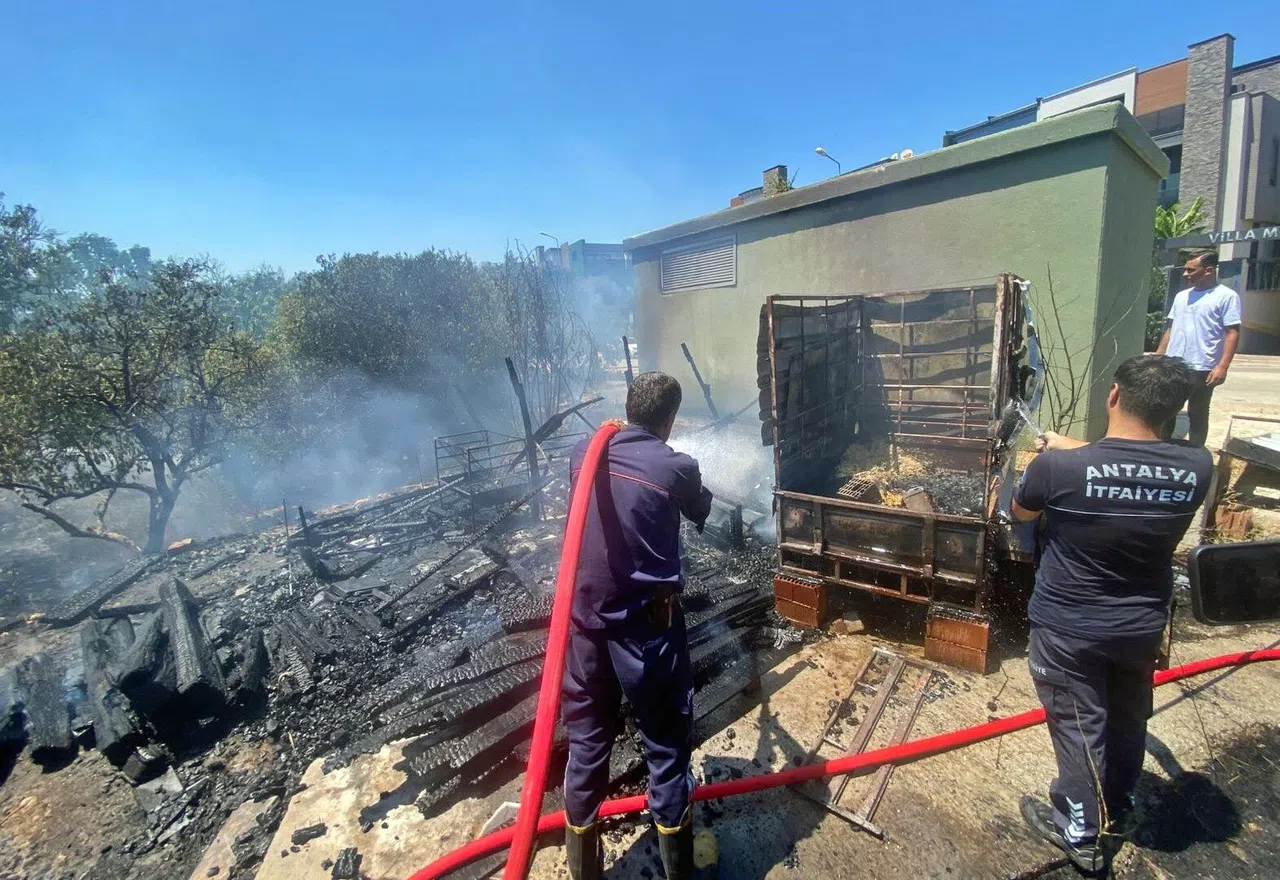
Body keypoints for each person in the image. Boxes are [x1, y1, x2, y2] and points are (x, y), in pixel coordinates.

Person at [1011, 354, 1213, 873]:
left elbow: (1022, 511)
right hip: (1143, 624)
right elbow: (1138, 467)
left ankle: (1078, 831)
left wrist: (1054, 458)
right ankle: (1116, 803)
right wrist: (1070, 448)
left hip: (1068, 627)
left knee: (1079, 727)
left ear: (1114, 396)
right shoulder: (1198, 466)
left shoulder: (1058, 469)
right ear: (1177, 408)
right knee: (1127, 719)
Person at [561, 371, 713, 880]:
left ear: (627, 408)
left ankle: (586, 873)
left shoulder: (584, 453)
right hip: (647, 634)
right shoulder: (676, 466)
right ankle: (681, 873)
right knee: (667, 747)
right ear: (668, 419)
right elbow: (701, 509)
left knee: (586, 743)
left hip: (585, 629)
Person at [1155, 251, 1242, 447]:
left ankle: (1195, 455)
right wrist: (1159, 357)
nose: (1185, 274)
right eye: (1185, 269)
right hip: (1173, 363)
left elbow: (1232, 332)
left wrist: (1222, 366)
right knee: (1166, 409)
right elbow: (1171, 328)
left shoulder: (1226, 297)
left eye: (1191, 270)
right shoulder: (1181, 296)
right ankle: (1163, 451)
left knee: (1198, 413)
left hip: (1203, 366)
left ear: (1208, 270)